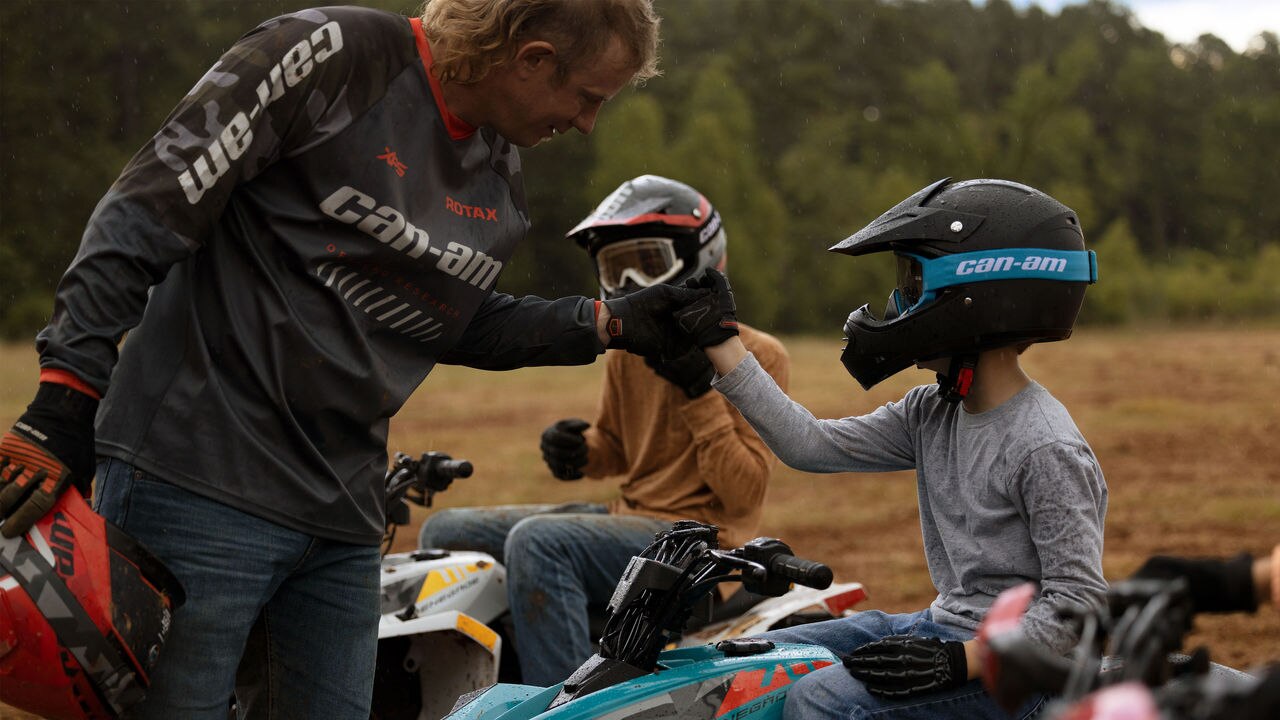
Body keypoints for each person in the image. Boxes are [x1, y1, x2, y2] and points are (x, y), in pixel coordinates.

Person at [0, 2, 709, 718]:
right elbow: (149, 207)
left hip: (340, 518)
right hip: (194, 483)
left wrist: (608, 321)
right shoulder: (331, 55)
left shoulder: (497, 167)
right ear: (532, 58)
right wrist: (66, 394)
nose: (587, 122)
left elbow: (449, 319)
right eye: (587, 97)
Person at [670, 177, 1107, 719]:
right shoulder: (933, 411)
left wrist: (960, 661)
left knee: (819, 700)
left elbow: (1077, 607)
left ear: (977, 295)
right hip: (945, 628)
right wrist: (722, 344)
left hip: (1019, 670)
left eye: (913, 281)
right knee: (769, 658)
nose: (898, 302)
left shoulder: (1045, 446)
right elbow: (809, 444)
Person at [417, 175, 791, 686]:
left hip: (702, 542)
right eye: (617, 266)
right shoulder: (631, 352)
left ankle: (567, 703)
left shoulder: (759, 356)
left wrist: (701, 393)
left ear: (701, 254)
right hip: (629, 518)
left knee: (538, 544)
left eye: (649, 262)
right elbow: (617, 448)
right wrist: (580, 453)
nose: (634, 280)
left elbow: (742, 495)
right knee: (445, 533)